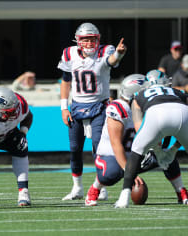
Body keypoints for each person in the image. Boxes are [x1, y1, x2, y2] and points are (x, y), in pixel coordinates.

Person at [114, 69, 188, 208]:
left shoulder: (139, 95)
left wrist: (157, 150)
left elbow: (139, 127)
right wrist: (173, 150)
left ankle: (124, 197)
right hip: (183, 113)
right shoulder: (180, 92)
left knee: (136, 152)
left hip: (156, 113)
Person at [84, 74, 188, 206]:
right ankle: (95, 188)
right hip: (112, 156)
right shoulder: (119, 108)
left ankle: (181, 192)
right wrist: (129, 173)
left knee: (167, 156)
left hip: (136, 155)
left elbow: (157, 141)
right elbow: (116, 145)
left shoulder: (147, 108)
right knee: (111, 173)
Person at [57, 22, 126, 201]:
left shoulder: (106, 51)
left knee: (99, 148)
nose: (88, 43)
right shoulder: (69, 54)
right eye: (85, 40)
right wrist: (64, 107)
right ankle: (77, 188)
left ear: (98, 40)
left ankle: (101, 186)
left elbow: (112, 61)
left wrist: (118, 53)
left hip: (99, 107)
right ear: (78, 41)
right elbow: (65, 81)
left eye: (92, 39)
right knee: (74, 149)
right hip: (77, 107)